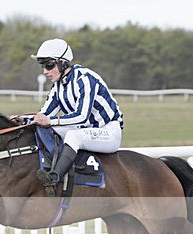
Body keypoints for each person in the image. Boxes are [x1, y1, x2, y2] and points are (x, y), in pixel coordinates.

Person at [29, 38, 123, 195]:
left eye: (49, 65)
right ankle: (49, 167)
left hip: (108, 132)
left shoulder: (85, 78)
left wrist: (50, 121)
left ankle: (54, 176)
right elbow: (43, 115)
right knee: (44, 129)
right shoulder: (58, 86)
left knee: (73, 136)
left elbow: (82, 117)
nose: (45, 71)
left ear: (63, 63)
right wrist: (23, 120)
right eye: (43, 66)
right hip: (84, 130)